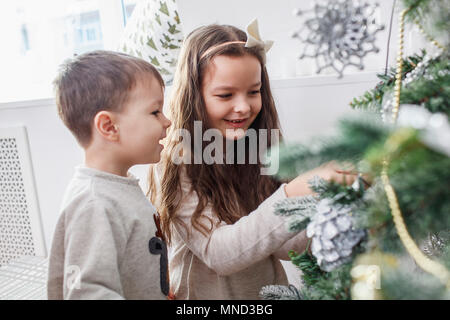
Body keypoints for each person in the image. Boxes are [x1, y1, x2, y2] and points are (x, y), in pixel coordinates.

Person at [148, 20, 358, 300]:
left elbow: (283, 245)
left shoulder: (256, 147)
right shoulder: (177, 160)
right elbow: (220, 255)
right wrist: (292, 193)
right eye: (225, 95)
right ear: (193, 96)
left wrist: (326, 202)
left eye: (253, 91)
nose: (244, 107)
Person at [47, 50, 172, 299]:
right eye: (155, 112)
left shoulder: (116, 187)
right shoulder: (94, 203)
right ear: (109, 126)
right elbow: (87, 292)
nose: (167, 121)